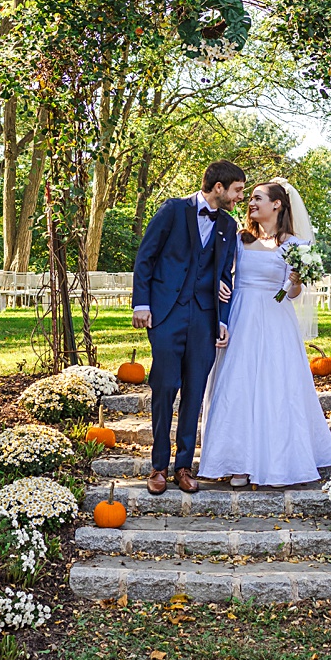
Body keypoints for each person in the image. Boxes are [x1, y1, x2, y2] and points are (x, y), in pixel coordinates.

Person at [197, 179, 331, 488]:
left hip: (275, 317)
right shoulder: (239, 239)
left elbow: (289, 295)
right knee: (237, 385)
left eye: (258, 197)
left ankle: (277, 461)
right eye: (249, 197)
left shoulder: (295, 245)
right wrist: (219, 287)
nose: (251, 202)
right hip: (241, 315)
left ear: (277, 204)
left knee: (276, 386)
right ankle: (237, 463)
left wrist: (295, 281)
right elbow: (218, 272)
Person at [131, 160, 246, 495]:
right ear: (220, 187)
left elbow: (226, 276)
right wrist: (142, 303)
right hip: (166, 314)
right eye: (237, 190)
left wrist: (222, 319)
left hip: (204, 318)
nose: (240, 196)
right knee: (165, 388)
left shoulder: (227, 225)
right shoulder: (172, 210)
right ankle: (158, 466)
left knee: (195, 391)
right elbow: (146, 258)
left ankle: (184, 466)